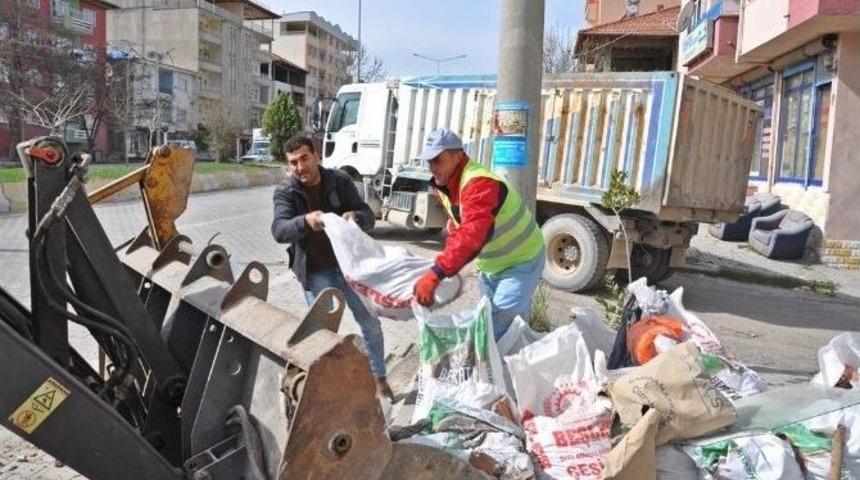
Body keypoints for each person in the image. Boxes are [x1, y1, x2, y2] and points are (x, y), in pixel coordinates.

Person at [271, 135, 392, 399]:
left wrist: (356, 216)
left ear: (316, 155)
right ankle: (329, 391)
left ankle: (380, 380)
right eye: (293, 162)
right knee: (322, 334)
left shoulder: (339, 181)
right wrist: (305, 221)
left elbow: (368, 215)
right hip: (316, 273)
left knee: (370, 324)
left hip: (351, 270)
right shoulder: (286, 192)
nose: (300, 167)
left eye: (304, 158)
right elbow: (279, 230)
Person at [412, 128, 546, 340]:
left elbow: (472, 236)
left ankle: (497, 370)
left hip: (521, 261)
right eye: (429, 161)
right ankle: (517, 364)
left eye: (438, 160)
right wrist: (449, 257)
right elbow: (460, 229)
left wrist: (437, 272)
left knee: (494, 329)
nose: (432, 168)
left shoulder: (479, 183)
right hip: (491, 268)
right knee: (506, 327)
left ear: (457, 156)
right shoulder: (446, 185)